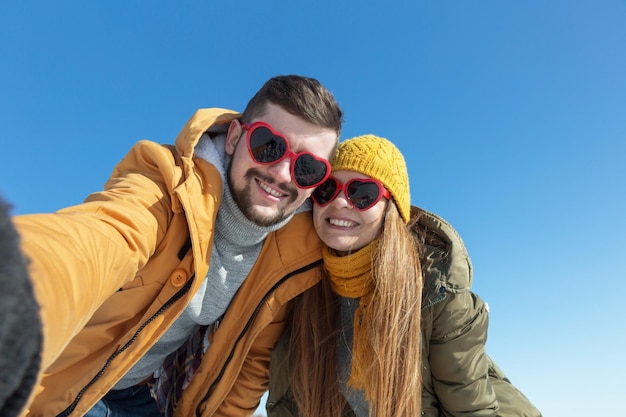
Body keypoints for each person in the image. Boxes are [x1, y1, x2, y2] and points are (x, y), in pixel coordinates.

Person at [8, 74, 343, 417]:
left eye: (308, 167)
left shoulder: (286, 256)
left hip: (132, 392)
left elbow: (248, 368)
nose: (284, 174)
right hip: (59, 384)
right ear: (233, 138)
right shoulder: (165, 188)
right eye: (269, 145)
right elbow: (96, 241)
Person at [266, 135, 543, 417]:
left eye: (362, 194)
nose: (338, 202)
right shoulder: (299, 287)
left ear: (391, 208)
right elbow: (286, 403)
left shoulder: (437, 293)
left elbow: (470, 409)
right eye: (327, 190)